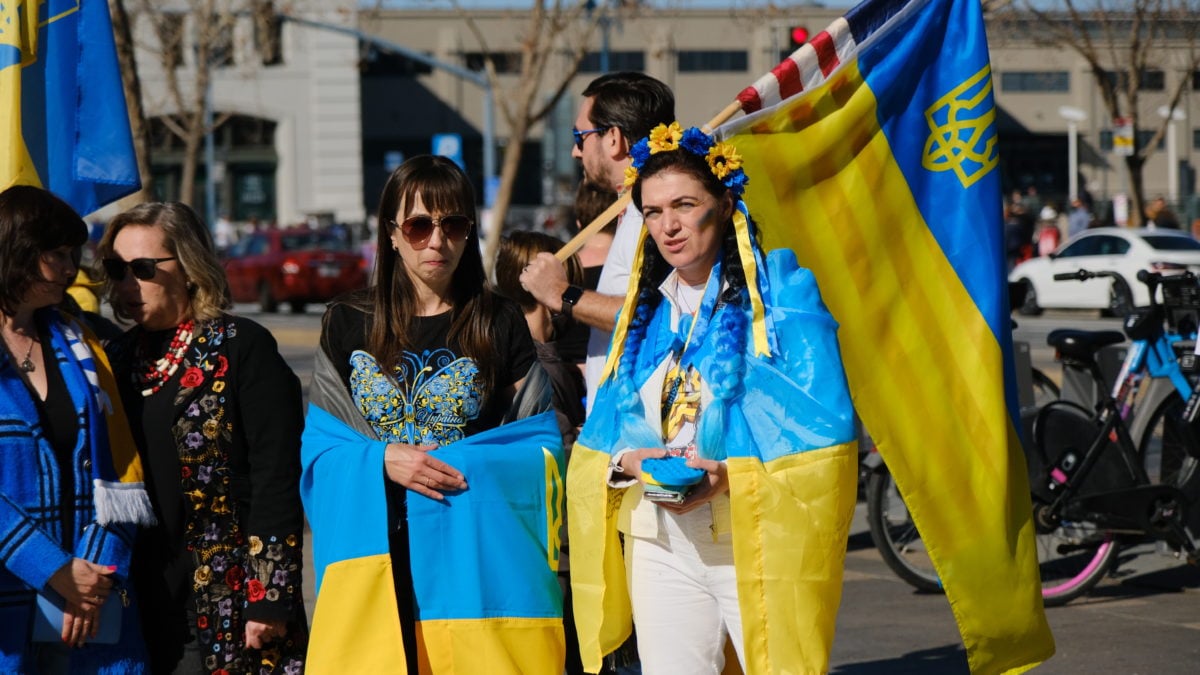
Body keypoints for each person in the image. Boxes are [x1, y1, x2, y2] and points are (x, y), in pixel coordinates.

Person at [567, 124, 857, 673]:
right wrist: (627, 461)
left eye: (684, 205)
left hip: (755, 532)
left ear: (725, 205)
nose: (668, 226)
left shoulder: (784, 296)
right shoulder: (647, 311)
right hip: (662, 542)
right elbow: (610, 426)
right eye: (652, 212)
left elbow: (827, 429)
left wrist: (730, 475)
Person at [301, 155, 566, 673]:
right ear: (392, 235)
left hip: (472, 552)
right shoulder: (347, 320)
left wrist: (454, 464)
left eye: (454, 224)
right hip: (378, 543)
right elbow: (322, 446)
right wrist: (384, 460)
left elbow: (539, 446)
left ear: (470, 232)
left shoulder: (500, 319)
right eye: (419, 225)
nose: (436, 241)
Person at [97, 202, 308, 674]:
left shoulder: (241, 346)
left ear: (189, 268)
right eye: (116, 269)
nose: (128, 284)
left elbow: (276, 477)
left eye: (144, 269)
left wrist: (269, 598)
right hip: (139, 598)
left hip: (226, 600)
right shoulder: (117, 355)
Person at [0, 185, 154, 673]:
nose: (72, 269)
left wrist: (91, 577)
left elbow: (118, 468)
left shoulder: (82, 340)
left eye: (75, 254)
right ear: (18, 251)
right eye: (59, 254)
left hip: (85, 608)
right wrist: (51, 568)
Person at [521, 72, 675, 408]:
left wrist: (561, 294)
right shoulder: (634, 206)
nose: (576, 152)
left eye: (581, 136)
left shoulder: (659, 211)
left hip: (642, 434)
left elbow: (653, 314)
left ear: (613, 139)